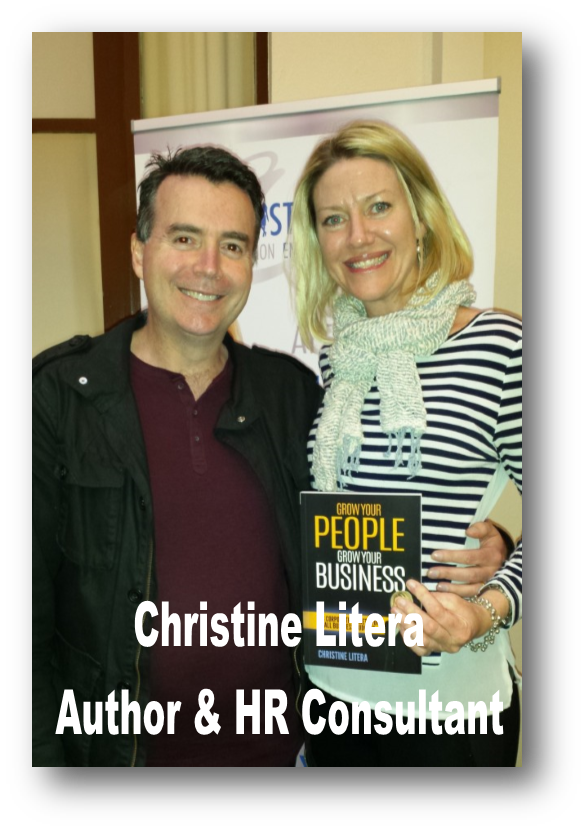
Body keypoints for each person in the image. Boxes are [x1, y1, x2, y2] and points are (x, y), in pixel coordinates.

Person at [32, 143, 508, 767]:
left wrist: (495, 564)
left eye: (232, 245)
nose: (208, 267)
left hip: (319, 739)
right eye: (184, 238)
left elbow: (386, 506)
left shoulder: (291, 392)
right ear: (139, 251)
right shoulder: (61, 398)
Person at [291, 121, 521, 767]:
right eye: (334, 219)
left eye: (378, 207)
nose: (357, 236)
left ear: (420, 218)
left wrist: (489, 607)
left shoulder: (497, 347)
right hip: (332, 700)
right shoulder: (336, 365)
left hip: (451, 717)